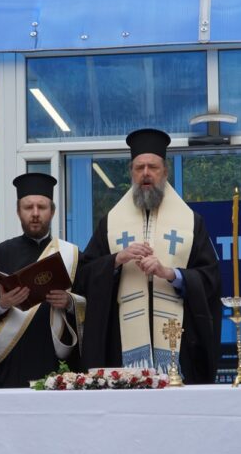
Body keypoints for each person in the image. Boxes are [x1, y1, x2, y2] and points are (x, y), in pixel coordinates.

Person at [75, 128, 221, 382]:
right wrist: (117, 259)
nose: (145, 173)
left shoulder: (191, 223)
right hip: (122, 344)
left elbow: (211, 279)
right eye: (139, 167)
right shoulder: (110, 223)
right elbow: (84, 275)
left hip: (180, 340)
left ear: (165, 172)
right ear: (131, 173)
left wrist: (171, 274)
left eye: (152, 167)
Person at [0, 173, 84, 388]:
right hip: (12, 366)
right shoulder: (1, 253)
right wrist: (1, 304)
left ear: (52, 211)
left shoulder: (71, 255)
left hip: (57, 367)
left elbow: (91, 302)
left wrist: (70, 302)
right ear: (18, 212)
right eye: (28, 207)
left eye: (41, 207)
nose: (35, 214)